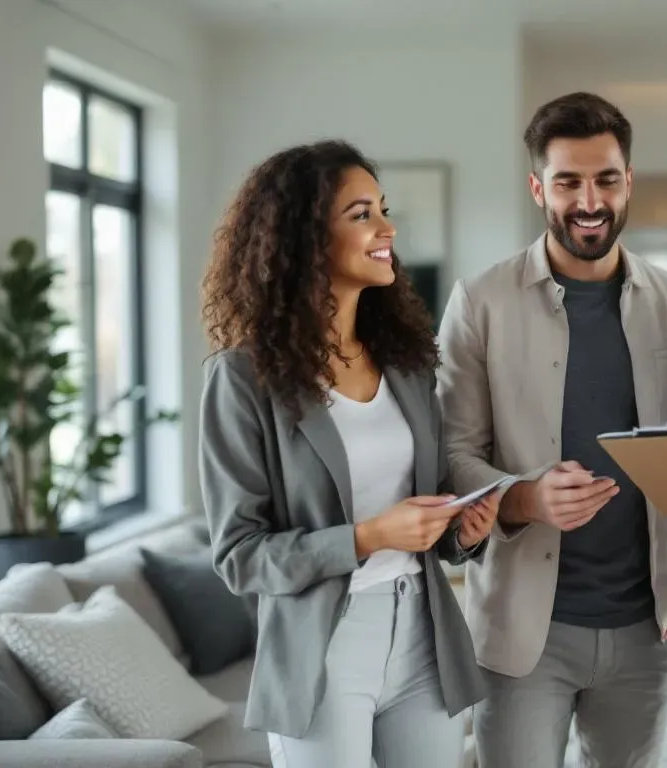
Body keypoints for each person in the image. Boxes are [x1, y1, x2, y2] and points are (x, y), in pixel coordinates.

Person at [436, 92, 667, 768]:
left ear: (629, 182)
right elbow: (454, 450)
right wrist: (527, 498)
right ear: (539, 187)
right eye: (568, 181)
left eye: (606, 178)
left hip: (647, 627)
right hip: (521, 630)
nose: (588, 200)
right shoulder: (480, 301)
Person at [198, 139, 496, 768]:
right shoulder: (243, 379)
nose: (387, 228)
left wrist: (463, 531)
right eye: (362, 214)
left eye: (382, 210)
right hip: (321, 648)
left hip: (423, 630)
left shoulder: (409, 366)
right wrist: (366, 536)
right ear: (304, 240)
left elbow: (430, 516)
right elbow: (239, 557)